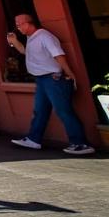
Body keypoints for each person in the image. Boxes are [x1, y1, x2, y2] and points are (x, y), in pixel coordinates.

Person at [7, 13, 95, 155]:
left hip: (53, 78)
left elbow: (58, 54)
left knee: (63, 110)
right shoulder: (31, 38)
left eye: (19, 24)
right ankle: (34, 139)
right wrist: (14, 41)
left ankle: (80, 143)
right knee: (40, 110)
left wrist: (69, 72)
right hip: (41, 79)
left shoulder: (44, 36)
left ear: (28, 23)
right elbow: (26, 52)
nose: (17, 28)